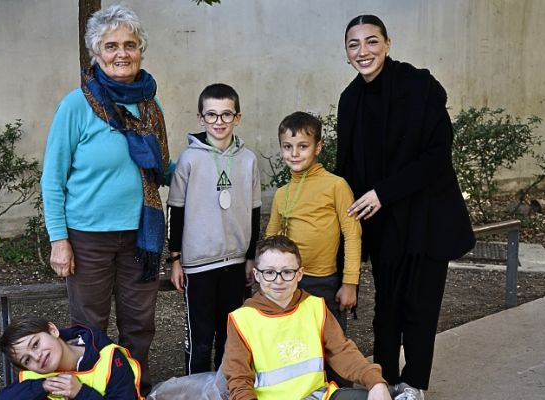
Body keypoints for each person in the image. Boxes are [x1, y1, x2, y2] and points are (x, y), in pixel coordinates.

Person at [335, 14, 476, 400]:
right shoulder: (350, 101)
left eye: (372, 41)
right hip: (383, 225)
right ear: (346, 53)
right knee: (387, 307)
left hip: (426, 217)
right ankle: (385, 380)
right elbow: (347, 168)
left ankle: (414, 383)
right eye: (354, 44)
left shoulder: (420, 86)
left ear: (388, 44)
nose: (363, 51)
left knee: (421, 306)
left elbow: (436, 156)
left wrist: (384, 192)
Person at [40, 4, 171, 395]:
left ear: (141, 50)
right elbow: (52, 178)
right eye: (111, 45)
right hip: (88, 238)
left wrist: (207, 156)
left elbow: (161, 166)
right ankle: (90, 392)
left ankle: (133, 390)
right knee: (89, 326)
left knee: (138, 324)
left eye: (130, 44)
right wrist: (58, 240)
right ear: (97, 54)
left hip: (139, 237)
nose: (121, 53)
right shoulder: (76, 105)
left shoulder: (149, 104)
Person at [222, 235, 391, 400]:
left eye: (287, 272)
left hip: (320, 395)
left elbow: (343, 352)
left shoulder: (315, 306)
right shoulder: (242, 320)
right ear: (257, 275)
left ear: (300, 274)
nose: (278, 280)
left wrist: (376, 382)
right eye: (269, 272)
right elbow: (239, 380)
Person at [167, 83, 261, 375]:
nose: (218, 122)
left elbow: (255, 211)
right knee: (200, 340)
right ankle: (195, 389)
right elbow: (176, 212)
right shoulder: (189, 160)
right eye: (211, 115)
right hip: (198, 265)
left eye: (225, 115)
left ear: (238, 117)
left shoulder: (248, 160)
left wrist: (250, 256)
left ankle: (224, 390)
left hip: (235, 264)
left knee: (230, 337)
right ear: (200, 118)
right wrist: (175, 259)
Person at [265, 111, 361, 333]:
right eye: (288, 147)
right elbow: (271, 238)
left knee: (330, 346)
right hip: (287, 280)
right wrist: (267, 275)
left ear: (318, 147)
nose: (294, 153)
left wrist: (349, 283)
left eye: (303, 146)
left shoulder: (336, 186)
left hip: (324, 282)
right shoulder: (282, 193)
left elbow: (353, 235)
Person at [0, 317, 141, 400]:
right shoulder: (35, 376)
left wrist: (81, 393)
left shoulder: (110, 360)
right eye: (27, 360)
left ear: (53, 330)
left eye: (36, 344)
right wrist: (41, 387)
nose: (36, 357)